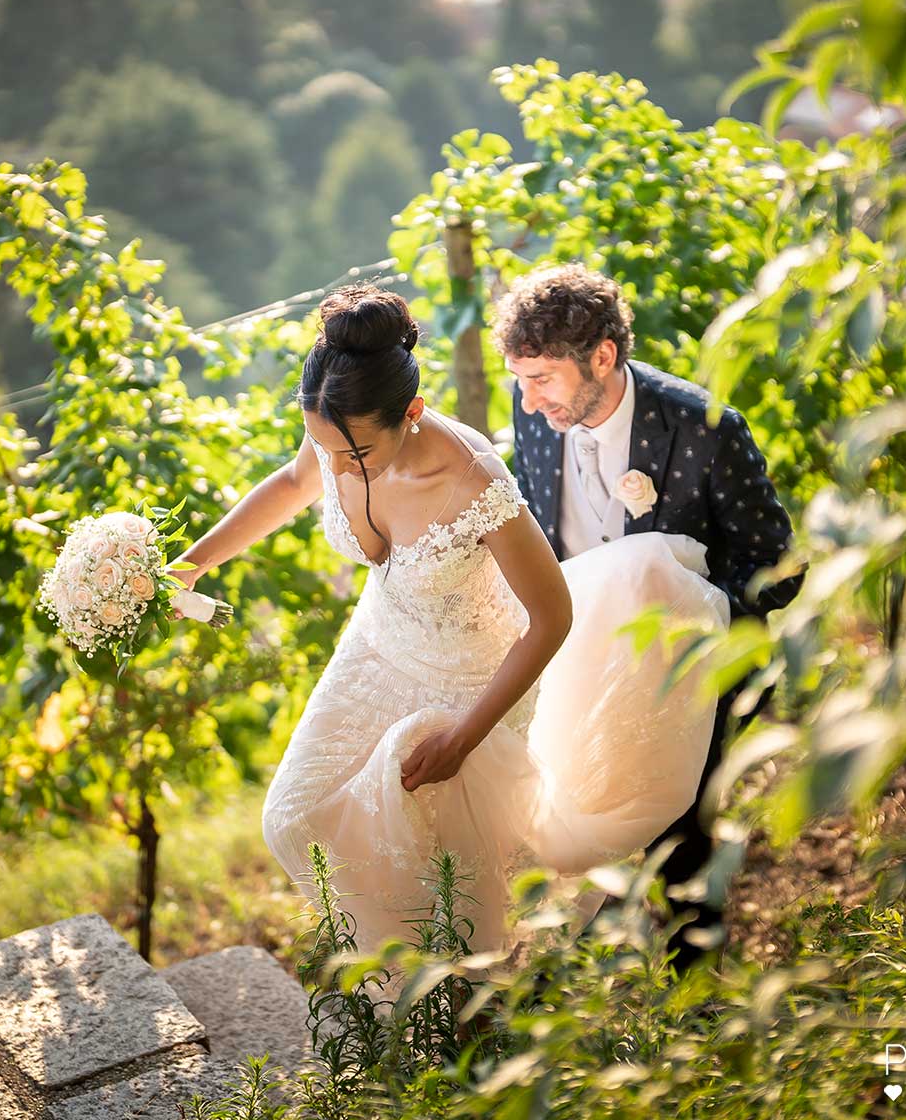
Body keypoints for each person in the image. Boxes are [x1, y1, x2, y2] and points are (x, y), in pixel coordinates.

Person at [173, 285, 729, 959]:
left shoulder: (473, 481)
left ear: (412, 412)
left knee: (451, 875)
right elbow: (294, 484)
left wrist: (466, 737)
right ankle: (398, 984)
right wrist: (193, 564)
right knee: (291, 818)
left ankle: (468, 1016)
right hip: (379, 645)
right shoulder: (336, 420)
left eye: (357, 458)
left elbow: (552, 617)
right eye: (330, 452)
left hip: (470, 678)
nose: (339, 468)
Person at [496, 262, 802, 973]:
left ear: (602, 356)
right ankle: (589, 974)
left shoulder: (704, 428)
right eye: (519, 379)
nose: (529, 399)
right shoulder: (536, 414)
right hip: (574, 663)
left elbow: (777, 563)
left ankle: (696, 1001)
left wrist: (688, 607)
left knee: (685, 834)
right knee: (567, 812)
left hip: (686, 669)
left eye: (541, 377)